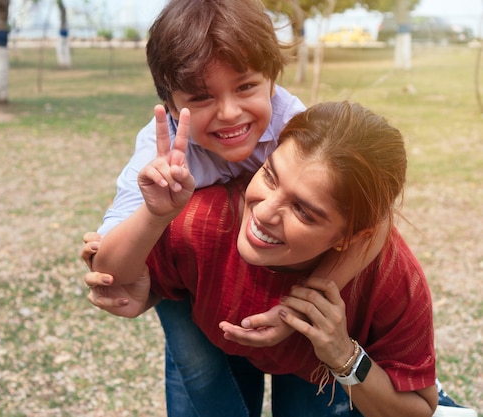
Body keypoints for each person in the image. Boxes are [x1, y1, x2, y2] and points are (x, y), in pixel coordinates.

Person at [81, 0, 476, 416]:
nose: (229, 111)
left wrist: (303, 309)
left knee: (309, 391)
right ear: (169, 99)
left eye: (246, 87)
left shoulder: (297, 132)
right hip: (199, 276)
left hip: (299, 292)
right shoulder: (163, 165)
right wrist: (156, 216)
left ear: (271, 80)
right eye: (200, 96)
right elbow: (110, 271)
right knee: (202, 375)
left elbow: (372, 219)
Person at [91, 101, 439, 416]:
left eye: (303, 211)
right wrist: (139, 285)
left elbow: (418, 409)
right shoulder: (200, 224)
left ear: (350, 238)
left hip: (321, 369)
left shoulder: (391, 280)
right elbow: (117, 275)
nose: (264, 211)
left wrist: (343, 356)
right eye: (269, 175)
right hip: (221, 348)